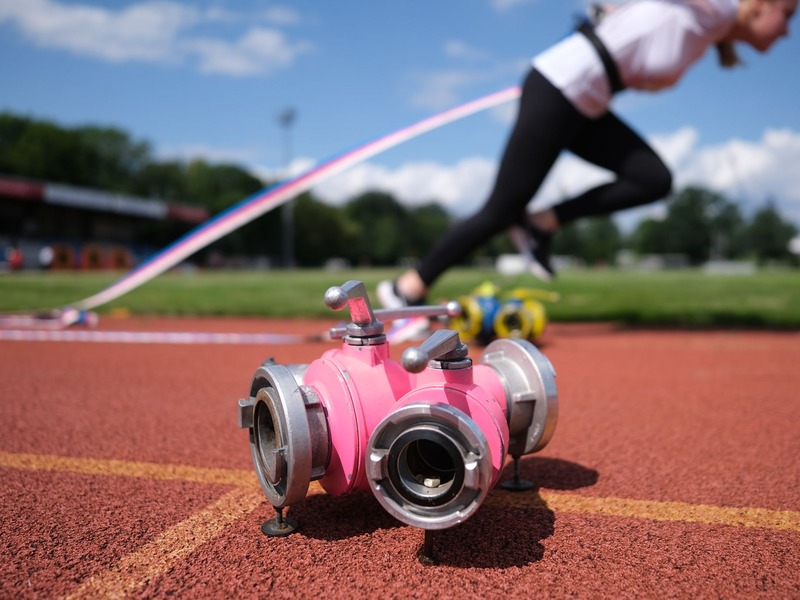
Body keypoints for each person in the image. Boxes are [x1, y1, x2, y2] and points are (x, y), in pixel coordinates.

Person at [378, 0, 796, 308]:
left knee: (652, 178)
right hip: (562, 85)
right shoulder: (717, 7)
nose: (787, 32)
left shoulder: (705, 33)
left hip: (587, 103)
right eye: (788, 16)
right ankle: (404, 290)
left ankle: (542, 223)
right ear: (762, 6)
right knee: (501, 208)